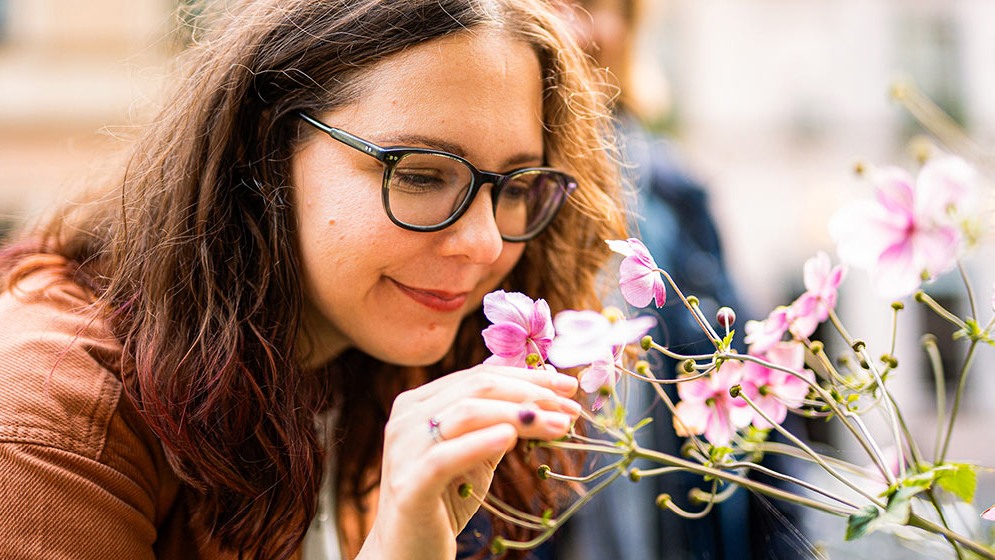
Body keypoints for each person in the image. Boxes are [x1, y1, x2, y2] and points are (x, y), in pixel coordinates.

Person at [0, 1, 630, 558]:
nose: (486, 243)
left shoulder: (375, 369)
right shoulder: (50, 426)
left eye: (515, 185)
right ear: (265, 148)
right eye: (420, 175)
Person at [552, 1, 804, 559]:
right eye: (553, 2)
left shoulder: (675, 194)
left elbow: (761, 433)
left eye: (598, 5)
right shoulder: (489, 206)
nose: (580, 27)